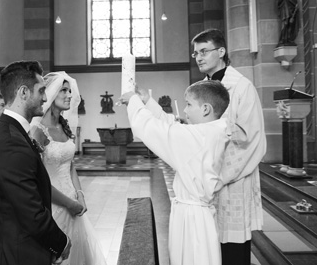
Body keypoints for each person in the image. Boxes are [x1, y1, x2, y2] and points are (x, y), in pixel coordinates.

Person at [120, 80, 231, 265]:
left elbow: (153, 129)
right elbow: (171, 128)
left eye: (189, 104)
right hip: (193, 215)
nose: (185, 111)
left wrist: (133, 100)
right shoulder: (209, 132)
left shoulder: (198, 137)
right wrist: (147, 101)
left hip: (193, 221)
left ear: (205, 109)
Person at [0, 60, 72, 265]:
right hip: (17, 253)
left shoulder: (11, 132)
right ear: (23, 92)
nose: (46, 98)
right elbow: (30, 211)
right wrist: (61, 242)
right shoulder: (11, 141)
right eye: (41, 91)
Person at [191, 28, 266, 265]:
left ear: (221, 51)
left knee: (233, 250)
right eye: (195, 53)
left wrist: (220, 175)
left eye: (204, 51)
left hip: (233, 179)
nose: (199, 57)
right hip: (208, 179)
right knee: (211, 246)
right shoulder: (200, 89)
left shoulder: (242, 87)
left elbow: (250, 137)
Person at [31, 71, 107, 265]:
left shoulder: (64, 127)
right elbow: (37, 179)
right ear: (49, 93)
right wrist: (68, 203)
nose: (69, 95)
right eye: (63, 90)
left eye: (69, 90)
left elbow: (70, 165)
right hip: (52, 202)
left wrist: (79, 194)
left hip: (72, 200)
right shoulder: (38, 131)